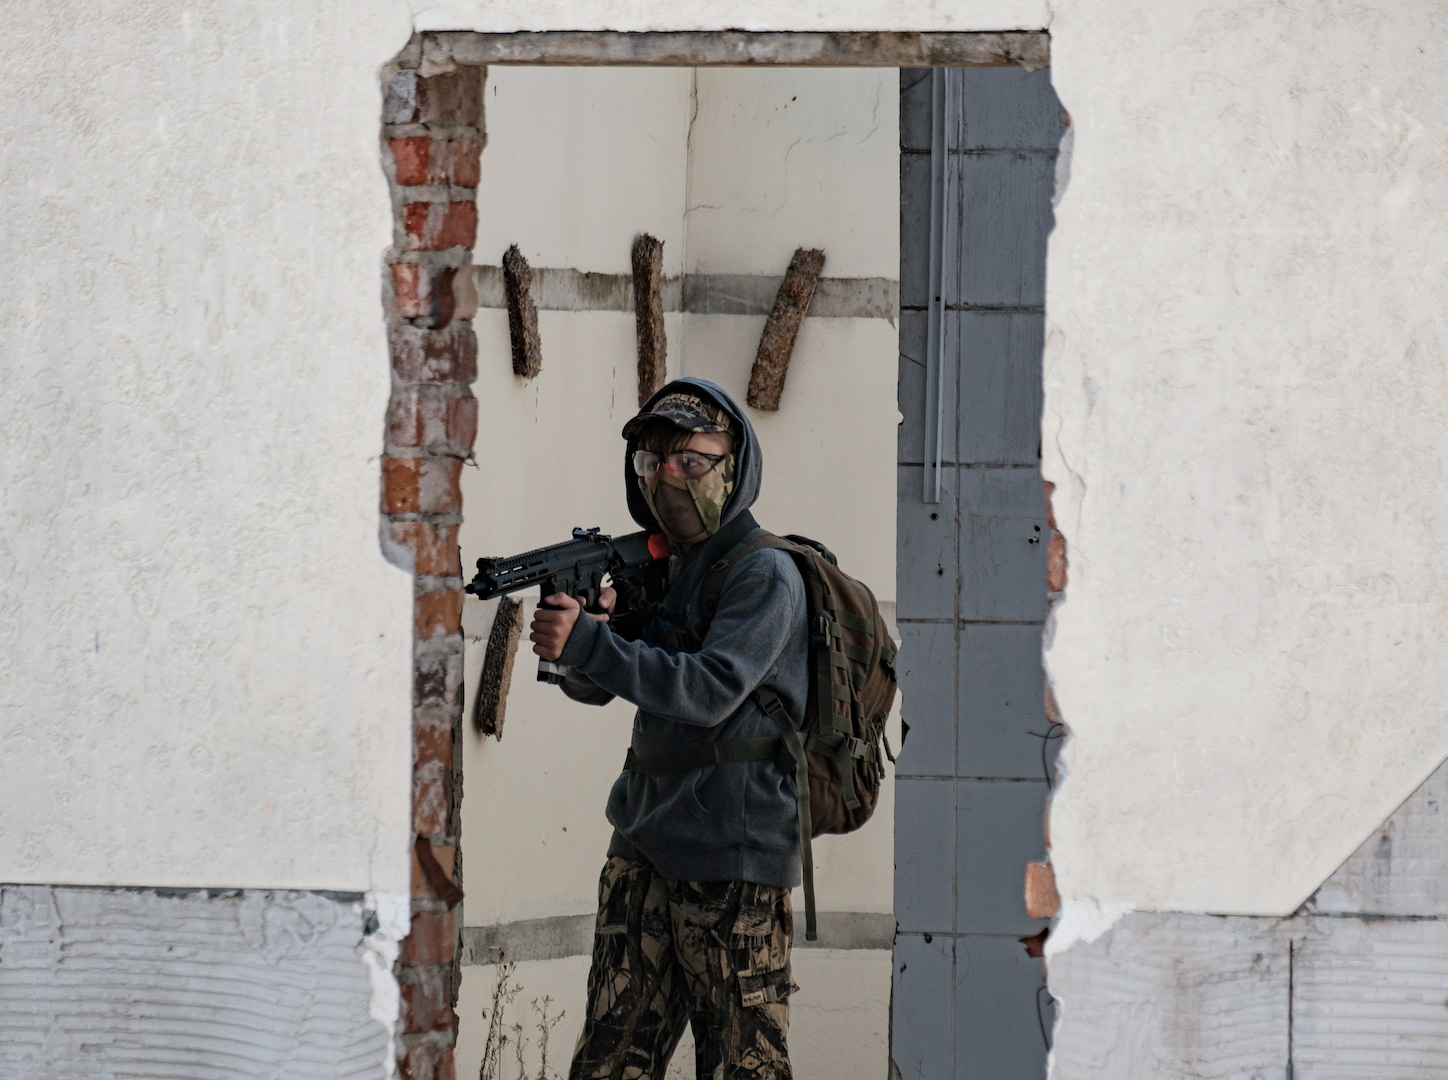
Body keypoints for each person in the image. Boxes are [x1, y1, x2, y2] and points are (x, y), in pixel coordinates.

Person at [528, 378, 807, 1080]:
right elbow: (600, 688)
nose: (668, 478)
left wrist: (591, 644)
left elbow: (708, 691)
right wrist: (592, 635)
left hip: (732, 860)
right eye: (654, 462)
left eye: (691, 461)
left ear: (735, 467)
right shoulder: (666, 570)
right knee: (608, 1062)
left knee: (742, 1067)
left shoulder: (766, 573)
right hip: (644, 841)